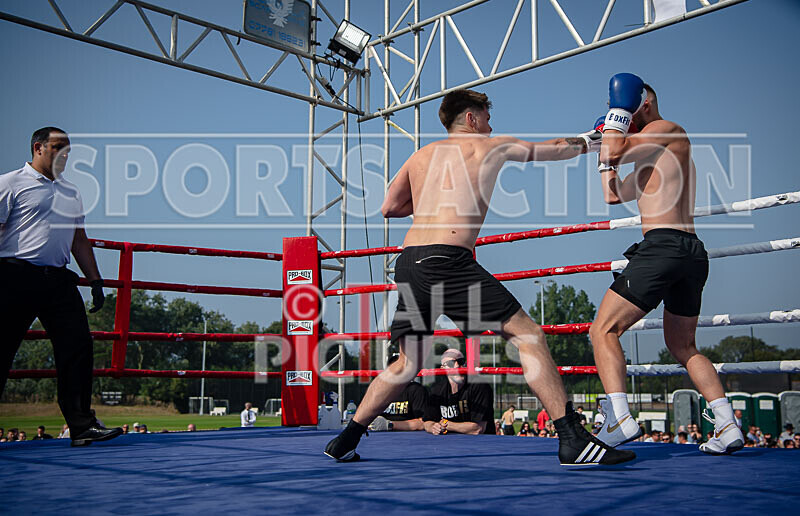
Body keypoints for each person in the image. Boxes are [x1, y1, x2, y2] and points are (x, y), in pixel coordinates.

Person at [324, 89, 633, 465]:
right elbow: (551, 148)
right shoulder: (489, 147)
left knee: (407, 363)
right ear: (471, 118)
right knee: (528, 335)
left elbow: (390, 207)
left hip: (409, 261)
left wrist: (430, 205)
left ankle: (346, 439)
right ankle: (572, 438)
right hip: (447, 259)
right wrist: (597, 138)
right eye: (487, 116)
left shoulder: (420, 157)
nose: (492, 125)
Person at [587, 74, 744, 456]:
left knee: (602, 330)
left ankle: (620, 417)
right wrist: (601, 155)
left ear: (643, 104)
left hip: (664, 247)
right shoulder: (650, 154)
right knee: (683, 345)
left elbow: (615, 152)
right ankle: (726, 424)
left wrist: (614, 120)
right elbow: (612, 194)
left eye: (629, 111)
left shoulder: (667, 129)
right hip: (688, 253)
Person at [0, 127, 121, 447]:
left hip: (58, 279)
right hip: (14, 276)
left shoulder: (70, 191)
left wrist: (95, 280)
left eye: (68, 149)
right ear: (38, 148)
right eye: (57, 147)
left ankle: (81, 426)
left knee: (78, 348)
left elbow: (79, 238)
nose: (64, 154)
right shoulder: (10, 183)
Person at [422, 349, 494, 436]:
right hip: (448, 444)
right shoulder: (436, 390)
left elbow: (477, 429)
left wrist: (446, 424)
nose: (456, 366)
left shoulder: (479, 386)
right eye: (450, 364)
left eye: (460, 361)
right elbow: (427, 422)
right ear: (443, 368)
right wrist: (433, 427)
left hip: (479, 445)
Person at [369, 353, 428, 432]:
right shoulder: (380, 390)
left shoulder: (416, 390)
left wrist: (390, 425)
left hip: (408, 437)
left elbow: (422, 423)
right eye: (393, 369)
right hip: (380, 437)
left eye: (400, 368)